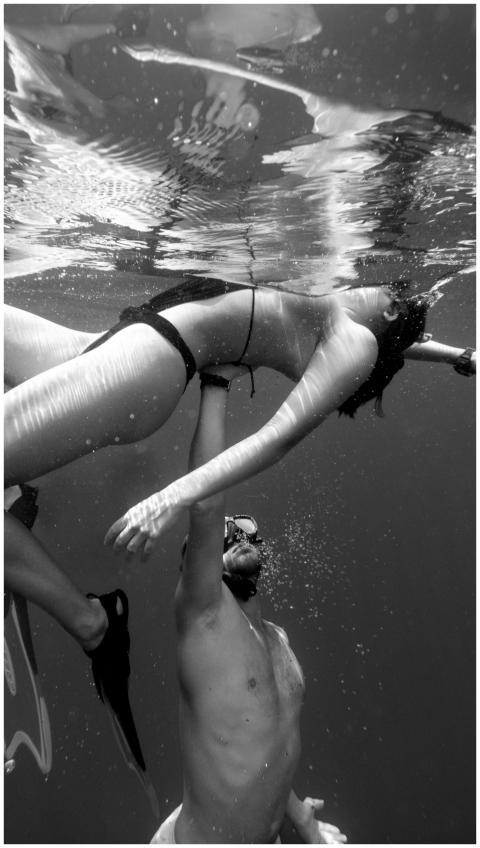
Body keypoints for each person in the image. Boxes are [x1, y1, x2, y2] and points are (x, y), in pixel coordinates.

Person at [5, 278, 475, 566]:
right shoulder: (353, 320)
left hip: (144, 365)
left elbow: (277, 438)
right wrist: (460, 356)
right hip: (119, 342)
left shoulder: (356, 340)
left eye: (388, 286)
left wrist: (172, 496)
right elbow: (402, 343)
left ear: (390, 307)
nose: (367, 278)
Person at [151, 362, 347, 844]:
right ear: (196, 567)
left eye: (247, 529)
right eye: (225, 534)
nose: (238, 533)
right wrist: (217, 383)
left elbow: (265, 751)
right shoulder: (204, 617)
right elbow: (205, 501)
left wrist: (302, 819)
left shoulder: (277, 638)